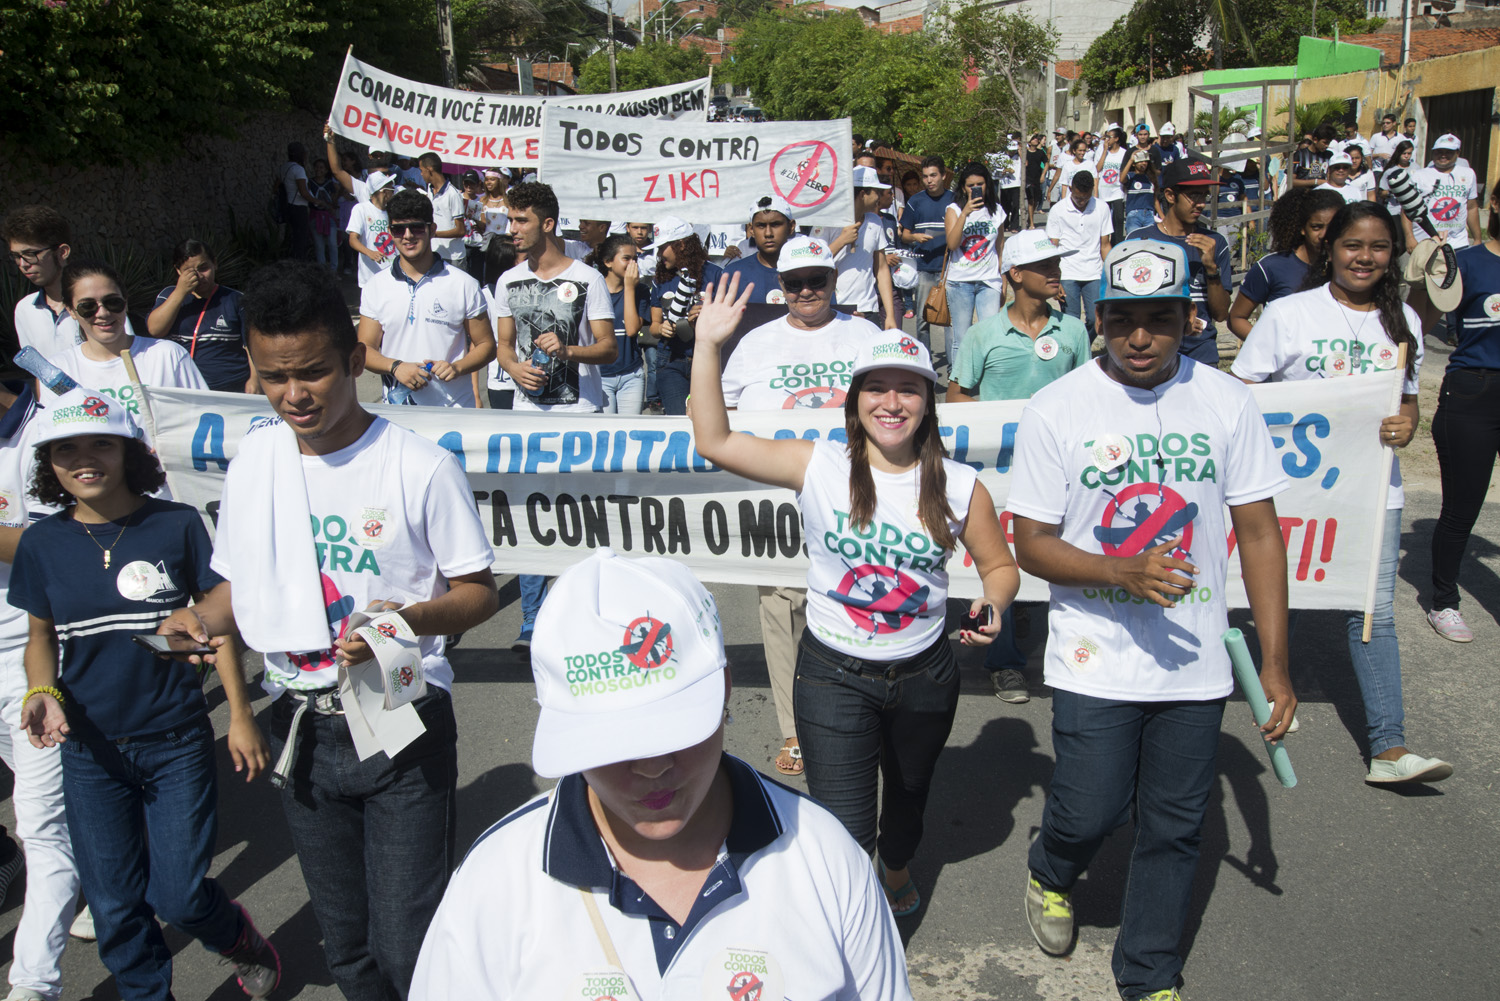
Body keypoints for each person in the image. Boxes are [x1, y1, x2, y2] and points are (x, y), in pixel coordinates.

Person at [160, 260, 500, 1000]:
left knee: (410, 944)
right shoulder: (257, 458)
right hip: (302, 727)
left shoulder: (419, 465)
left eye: (312, 372)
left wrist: (406, 618)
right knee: (348, 947)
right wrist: (197, 619)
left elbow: (479, 592)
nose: (294, 394)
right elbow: (236, 591)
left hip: (400, 718)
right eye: (275, 376)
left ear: (354, 360)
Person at [408, 549, 914, 1000]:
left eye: (676, 729)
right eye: (612, 740)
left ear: (725, 689)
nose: (651, 767)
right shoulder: (495, 884)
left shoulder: (825, 858)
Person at [1009, 237, 1297, 1001]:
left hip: (1195, 662)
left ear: (1187, 318)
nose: (1140, 337)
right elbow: (1029, 544)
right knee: (1092, 805)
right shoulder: (1057, 408)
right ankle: (1051, 865)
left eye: (1160, 320)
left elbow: (1262, 535)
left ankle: (1149, 974)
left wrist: (1275, 664)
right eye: (1123, 320)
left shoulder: (1228, 400)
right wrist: (1117, 571)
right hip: (1093, 653)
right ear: (1097, 318)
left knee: (1175, 826)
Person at [691, 277, 1020, 918]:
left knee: (906, 810)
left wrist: (994, 604)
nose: (891, 402)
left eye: (908, 387)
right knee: (841, 828)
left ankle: (896, 867)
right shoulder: (817, 466)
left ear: (929, 400)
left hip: (925, 674)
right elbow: (715, 441)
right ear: (855, 401)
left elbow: (999, 566)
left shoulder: (960, 485)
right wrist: (707, 347)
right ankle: (855, 932)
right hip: (832, 675)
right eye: (876, 387)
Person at [11, 388, 279, 1001]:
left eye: (100, 443)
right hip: (89, 751)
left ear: (129, 451)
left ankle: (237, 938)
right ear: (48, 463)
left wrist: (240, 714)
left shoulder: (176, 524)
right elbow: (40, 638)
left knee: (178, 894)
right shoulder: (41, 544)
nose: (84, 459)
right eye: (65, 449)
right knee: (112, 903)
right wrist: (41, 690)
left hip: (177, 741)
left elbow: (221, 627)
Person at [1234, 202, 1451, 785]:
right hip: (1292, 490)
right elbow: (1244, 393)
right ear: (1330, 248)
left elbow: (1406, 403)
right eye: (1353, 245)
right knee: (1287, 595)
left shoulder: (1402, 319)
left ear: (1392, 255)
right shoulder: (1288, 314)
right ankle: (1275, 695)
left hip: (1373, 490)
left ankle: (1389, 747)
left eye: (1378, 247)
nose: (1365, 257)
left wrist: (1407, 423)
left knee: (1371, 611)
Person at [718, 234, 884, 777]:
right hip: (777, 508)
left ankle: (859, 715)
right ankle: (794, 729)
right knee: (782, 614)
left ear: (835, 280)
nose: (807, 291)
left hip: (858, 501)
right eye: (795, 283)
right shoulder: (754, 344)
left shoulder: (867, 337)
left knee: (860, 604)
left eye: (818, 280)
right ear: (780, 287)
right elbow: (723, 415)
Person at [948, 231, 1091, 704]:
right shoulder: (982, 334)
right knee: (998, 562)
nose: (1056, 272)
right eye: (1044, 265)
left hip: (1059, 469)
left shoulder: (1072, 331)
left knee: (1060, 553)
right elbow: (958, 397)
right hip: (999, 474)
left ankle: (1072, 653)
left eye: (1057, 263)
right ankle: (1004, 662)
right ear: (1014, 275)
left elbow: (1087, 394)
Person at [493, 181, 615, 648]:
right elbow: (503, 347)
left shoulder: (587, 278)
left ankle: (584, 615)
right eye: (509, 219)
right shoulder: (507, 281)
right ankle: (531, 621)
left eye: (521, 220)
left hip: (581, 413)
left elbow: (608, 348)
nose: (512, 229)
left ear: (547, 224)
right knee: (531, 516)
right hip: (529, 415)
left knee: (583, 517)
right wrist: (514, 369)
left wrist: (567, 350)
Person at [0, 384, 80, 1001]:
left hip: (27, 663)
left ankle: (32, 983)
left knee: (41, 827)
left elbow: (74, 544)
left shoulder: (45, 431)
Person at [1428, 183, 1500, 643]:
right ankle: (1442, 601)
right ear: (1495, 204)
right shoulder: (1467, 262)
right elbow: (1421, 319)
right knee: (1462, 508)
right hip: (1473, 390)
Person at [355, 190, 495, 409]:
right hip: (399, 413)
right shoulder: (376, 286)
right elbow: (365, 349)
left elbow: (487, 345)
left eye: (417, 227)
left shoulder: (463, 283)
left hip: (453, 412)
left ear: (432, 229)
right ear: (390, 232)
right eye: (399, 229)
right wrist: (396, 367)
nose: (408, 235)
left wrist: (457, 368)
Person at [45, 261, 208, 414]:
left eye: (113, 302)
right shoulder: (59, 369)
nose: (103, 313)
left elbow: (207, 417)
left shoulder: (167, 356)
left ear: (126, 302)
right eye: (87, 306)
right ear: (71, 310)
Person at [1127, 156, 1232, 364]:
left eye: (1204, 196)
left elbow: (1220, 314)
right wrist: (1175, 323)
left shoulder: (1214, 242)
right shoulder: (1139, 240)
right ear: (1170, 195)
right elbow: (1128, 306)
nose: (1201, 203)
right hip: (1152, 352)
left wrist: (1211, 268)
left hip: (1202, 353)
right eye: (1194, 195)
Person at [1227, 188, 1344, 339]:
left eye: (1332, 227)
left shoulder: (1351, 270)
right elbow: (1236, 318)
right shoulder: (1272, 267)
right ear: (1303, 228)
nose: (1324, 234)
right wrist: (1269, 348)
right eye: (1317, 227)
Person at [147, 240, 256, 393]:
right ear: (178, 271)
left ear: (215, 264)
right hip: (182, 388)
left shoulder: (236, 300)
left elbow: (252, 345)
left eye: (203, 268)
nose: (198, 276)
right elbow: (155, 330)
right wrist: (180, 292)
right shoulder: (169, 296)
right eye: (189, 271)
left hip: (229, 389)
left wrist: (255, 379)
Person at [648, 217, 722, 416]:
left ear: (681, 245)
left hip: (706, 358)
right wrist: (661, 328)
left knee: (707, 421)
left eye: (663, 247)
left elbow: (727, 321)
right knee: (678, 423)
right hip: (670, 359)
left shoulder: (715, 274)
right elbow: (653, 326)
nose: (659, 254)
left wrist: (702, 319)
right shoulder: (661, 278)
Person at [818, 166, 899, 330]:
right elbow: (814, 261)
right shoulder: (827, 223)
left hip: (868, 308)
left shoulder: (875, 222)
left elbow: (881, 268)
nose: (879, 197)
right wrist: (841, 241)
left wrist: (889, 315)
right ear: (863, 194)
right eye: (876, 192)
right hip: (834, 308)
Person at [940, 161, 1005, 364]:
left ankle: (988, 380)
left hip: (989, 281)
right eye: (970, 185)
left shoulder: (997, 211)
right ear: (963, 187)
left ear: (988, 185)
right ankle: (959, 383)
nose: (976, 188)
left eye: (980, 183)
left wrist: (1004, 283)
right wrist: (965, 213)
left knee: (990, 336)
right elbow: (952, 244)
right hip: (960, 282)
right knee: (962, 338)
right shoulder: (954, 209)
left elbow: (1000, 250)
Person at [1046, 170, 1112, 346]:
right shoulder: (1058, 210)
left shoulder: (1102, 208)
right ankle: (1074, 356)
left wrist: (1112, 271)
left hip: (1094, 272)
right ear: (1071, 189)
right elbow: (1052, 247)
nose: (1081, 201)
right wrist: (1055, 279)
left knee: (1095, 319)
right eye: (1077, 197)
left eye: (1085, 198)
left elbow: (1105, 245)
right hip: (1067, 272)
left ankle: (1082, 347)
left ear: (1092, 190)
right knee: (1071, 321)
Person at [4, 206, 78, 362]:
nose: (23, 264)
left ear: (62, 252)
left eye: (31, 254)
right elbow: (39, 372)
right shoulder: (25, 309)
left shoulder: (98, 303)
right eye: (17, 256)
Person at [899, 156, 955, 358]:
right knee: (923, 320)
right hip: (923, 268)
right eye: (925, 176)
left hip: (950, 269)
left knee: (949, 320)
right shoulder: (915, 201)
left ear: (943, 176)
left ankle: (952, 365)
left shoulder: (954, 200)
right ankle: (925, 361)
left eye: (933, 175)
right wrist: (914, 236)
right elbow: (904, 235)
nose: (929, 180)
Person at [590, 234, 648, 416]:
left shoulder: (640, 290)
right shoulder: (593, 289)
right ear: (608, 262)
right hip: (600, 376)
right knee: (606, 434)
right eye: (626, 259)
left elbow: (631, 329)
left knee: (629, 432)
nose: (633, 264)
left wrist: (629, 288)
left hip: (631, 375)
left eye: (635, 259)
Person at [1402, 133, 1480, 251]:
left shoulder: (1468, 174)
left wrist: (1477, 238)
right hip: (1425, 242)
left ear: (1457, 153)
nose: (1443, 155)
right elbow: (1406, 209)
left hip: (1458, 243)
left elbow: (1472, 207)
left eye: (1448, 152)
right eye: (1439, 151)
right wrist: (1409, 238)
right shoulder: (1419, 176)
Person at [723, 195, 796, 304]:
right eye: (761, 226)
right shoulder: (732, 275)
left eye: (775, 225)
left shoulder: (808, 273)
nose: (768, 233)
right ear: (751, 229)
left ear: (791, 227)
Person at [345, 172, 399, 289]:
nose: (394, 191)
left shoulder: (394, 211)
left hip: (394, 275)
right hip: (370, 276)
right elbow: (353, 240)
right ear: (383, 191)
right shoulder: (361, 209)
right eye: (391, 188)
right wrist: (370, 253)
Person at [416, 153, 467, 270]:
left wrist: (433, 233)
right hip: (434, 254)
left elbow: (460, 230)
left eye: (422, 170)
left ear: (429, 170)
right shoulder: (429, 190)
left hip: (453, 257)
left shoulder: (453, 194)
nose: (421, 173)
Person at [280, 142, 330, 260]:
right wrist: (318, 202)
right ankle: (298, 264)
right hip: (298, 207)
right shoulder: (298, 169)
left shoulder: (284, 167)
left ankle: (293, 262)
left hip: (288, 205)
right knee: (301, 239)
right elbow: (304, 192)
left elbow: (277, 185)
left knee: (293, 237)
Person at [1095, 128, 1130, 241]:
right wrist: (1105, 151)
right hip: (1104, 190)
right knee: (1103, 219)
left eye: (1109, 137)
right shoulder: (1102, 151)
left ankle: (1117, 242)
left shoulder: (1124, 153)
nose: (1107, 139)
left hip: (1117, 190)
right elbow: (1098, 169)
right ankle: (1103, 241)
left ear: (1116, 139)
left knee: (1119, 219)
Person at [308, 158, 343, 269]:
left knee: (332, 244)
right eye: (317, 167)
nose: (319, 170)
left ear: (326, 170)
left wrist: (331, 204)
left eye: (322, 167)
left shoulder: (330, 184)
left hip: (328, 216)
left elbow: (336, 195)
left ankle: (333, 270)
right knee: (319, 245)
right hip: (315, 216)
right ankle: (322, 271)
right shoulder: (309, 183)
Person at [1122, 150, 1158, 235]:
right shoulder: (1130, 176)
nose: (1143, 163)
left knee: (1150, 242)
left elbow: (1155, 199)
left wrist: (1162, 216)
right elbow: (1121, 179)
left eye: (1145, 161)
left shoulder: (1151, 178)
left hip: (1149, 214)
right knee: (1134, 241)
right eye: (1140, 161)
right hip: (1134, 214)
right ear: (1134, 164)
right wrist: (1130, 160)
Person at [1046, 138, 1093, 203]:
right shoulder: (1067, 165)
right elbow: (1064, 185)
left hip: (1084, 200)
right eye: (1080, 150)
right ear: (1074, 151)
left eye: (1084, 151)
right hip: (1070, 200)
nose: (1082, 153)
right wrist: (1063, 202)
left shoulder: (1089, 164)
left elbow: (1095, 182)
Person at [1292, 123, 1336, 189]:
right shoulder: (1299, 155)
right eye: (1324, 142)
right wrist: (1315, 182)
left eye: (1328, 143)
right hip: (1302, 196)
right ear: (1315, 140)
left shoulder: (1328, 156)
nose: (1327, 145)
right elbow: (1291, 181)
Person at [1024, 134, 1048, 229]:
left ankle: (1030, 217)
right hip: (1028, 179)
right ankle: (1031, 223)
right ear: (1029, 142)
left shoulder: (1040, 152)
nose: (1035, 140)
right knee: (1030, 200)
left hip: (1037, 178)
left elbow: (1046, 163)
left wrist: (1043, 175)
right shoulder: (1025, 152)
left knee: (1036, 201)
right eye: (1033, 139)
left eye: (1036, 139)